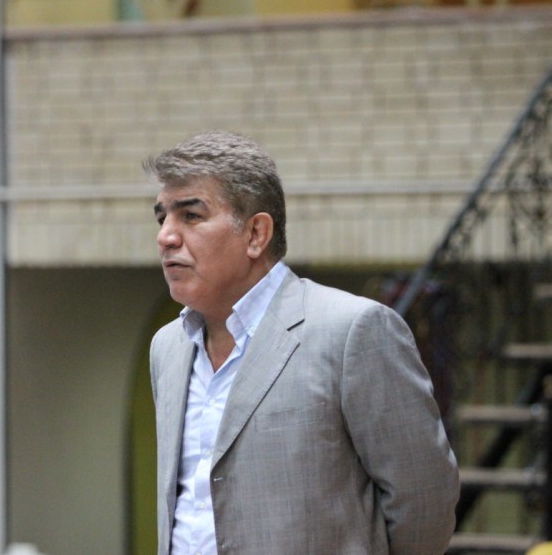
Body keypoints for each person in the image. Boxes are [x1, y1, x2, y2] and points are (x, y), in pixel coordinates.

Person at [145, 130, 460, 555]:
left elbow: (424, 503)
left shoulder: (353, 331)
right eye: (162, 218)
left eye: (191, 215)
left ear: (256, 233)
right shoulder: (167, 347)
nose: (166, 236)